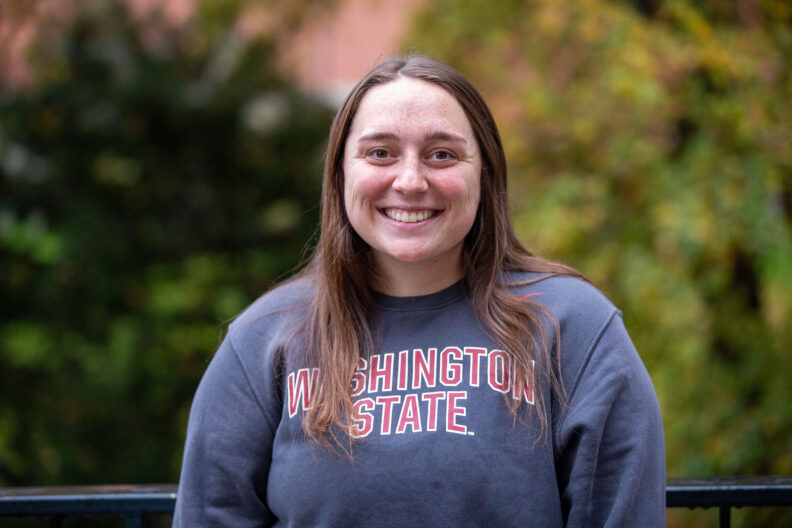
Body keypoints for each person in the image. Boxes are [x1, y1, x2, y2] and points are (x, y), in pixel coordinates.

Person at [173, 55, 665, 527]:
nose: (410, 181)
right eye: (380, 152)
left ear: (485, 175)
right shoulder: (262, 341)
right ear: (341, 173)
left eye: (442, 154)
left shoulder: (574, 327)